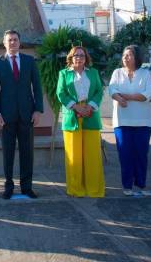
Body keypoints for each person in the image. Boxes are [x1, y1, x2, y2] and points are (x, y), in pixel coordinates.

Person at [0, 30, 43, 199]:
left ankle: (27, 187)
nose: (12, 42)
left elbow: (37, 87)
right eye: (9, 40)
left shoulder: (29, 61)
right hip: (6, 116)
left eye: (15, 40)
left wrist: (38, 110)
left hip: (27, 114)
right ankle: (8, 186)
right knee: (8, 152)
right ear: (4, 43)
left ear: (20, 42)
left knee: (27, 152)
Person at [56, 46, 105, 198]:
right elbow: (61, 93)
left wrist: (90, 106)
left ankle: (93, 189)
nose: (79, 58)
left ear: (86, 58)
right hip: (72, 116)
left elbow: (99, 91)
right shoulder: (64, 73)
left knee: (92, 155)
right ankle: (75, 189)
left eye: (82, 55)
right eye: (76, 55)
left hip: (91, 114)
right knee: (73, 156)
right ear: (71, 58)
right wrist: (76, 107)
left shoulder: (93, 72)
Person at [108, 45, 151, 196]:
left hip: (143, 122)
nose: (125, 57)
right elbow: (112, 90)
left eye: (129, 55)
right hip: (122, 121)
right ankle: (127, 185)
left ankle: (141, 184)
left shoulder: (145, 74)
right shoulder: (117, 72)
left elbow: (149, 94)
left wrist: (126, 96)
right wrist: (119, 98)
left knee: (141, 154)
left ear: (137, 58)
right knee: (125, 154)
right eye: (124, 55)